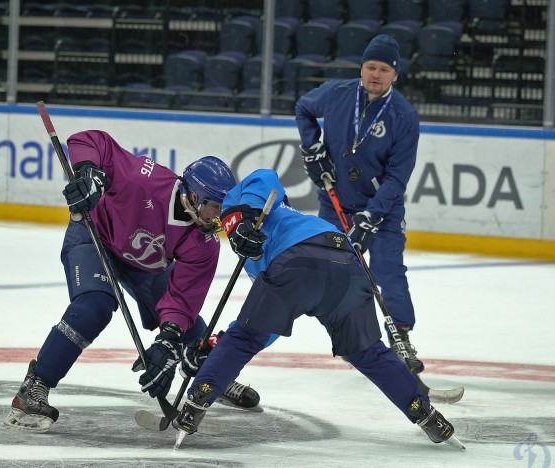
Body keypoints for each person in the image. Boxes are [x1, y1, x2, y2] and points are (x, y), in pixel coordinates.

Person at [172, 169, 462, 450]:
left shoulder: (242, 204)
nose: (211, 214)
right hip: (345, 261)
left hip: (298, 259)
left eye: (211, 205)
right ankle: (428, 416)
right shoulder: (286, 225)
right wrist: (218, 344)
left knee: (244, 339)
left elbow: (265, 176)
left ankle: (196, 403)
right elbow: (266, 324)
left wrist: (241, 220)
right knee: (368, 352)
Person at [3, 130, 259, 433]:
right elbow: (91, 141)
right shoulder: (144, 180)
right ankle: (34, 387)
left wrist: (167, 341)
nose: (219, 217)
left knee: (186, 325)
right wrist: (90, 174)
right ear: (193, 196)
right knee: (94, 307)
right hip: (95, 238)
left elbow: (183, 299)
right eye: (214, 207)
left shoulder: (203, 243)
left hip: (145, 264)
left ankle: (213, 374)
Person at [295, 34, 424, 373]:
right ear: (362, 68)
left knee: (387, 269)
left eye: (383, 69)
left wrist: (371, 216)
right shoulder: (338, 93)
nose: (375, 74)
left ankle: (401, 335)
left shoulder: (403, 116)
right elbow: (304, 108)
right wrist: (313, 148)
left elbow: (398, 177)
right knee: (332, 271)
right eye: (370, 67)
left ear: (395, 74)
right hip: (335, 202)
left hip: (381, 210)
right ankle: (353, 335)